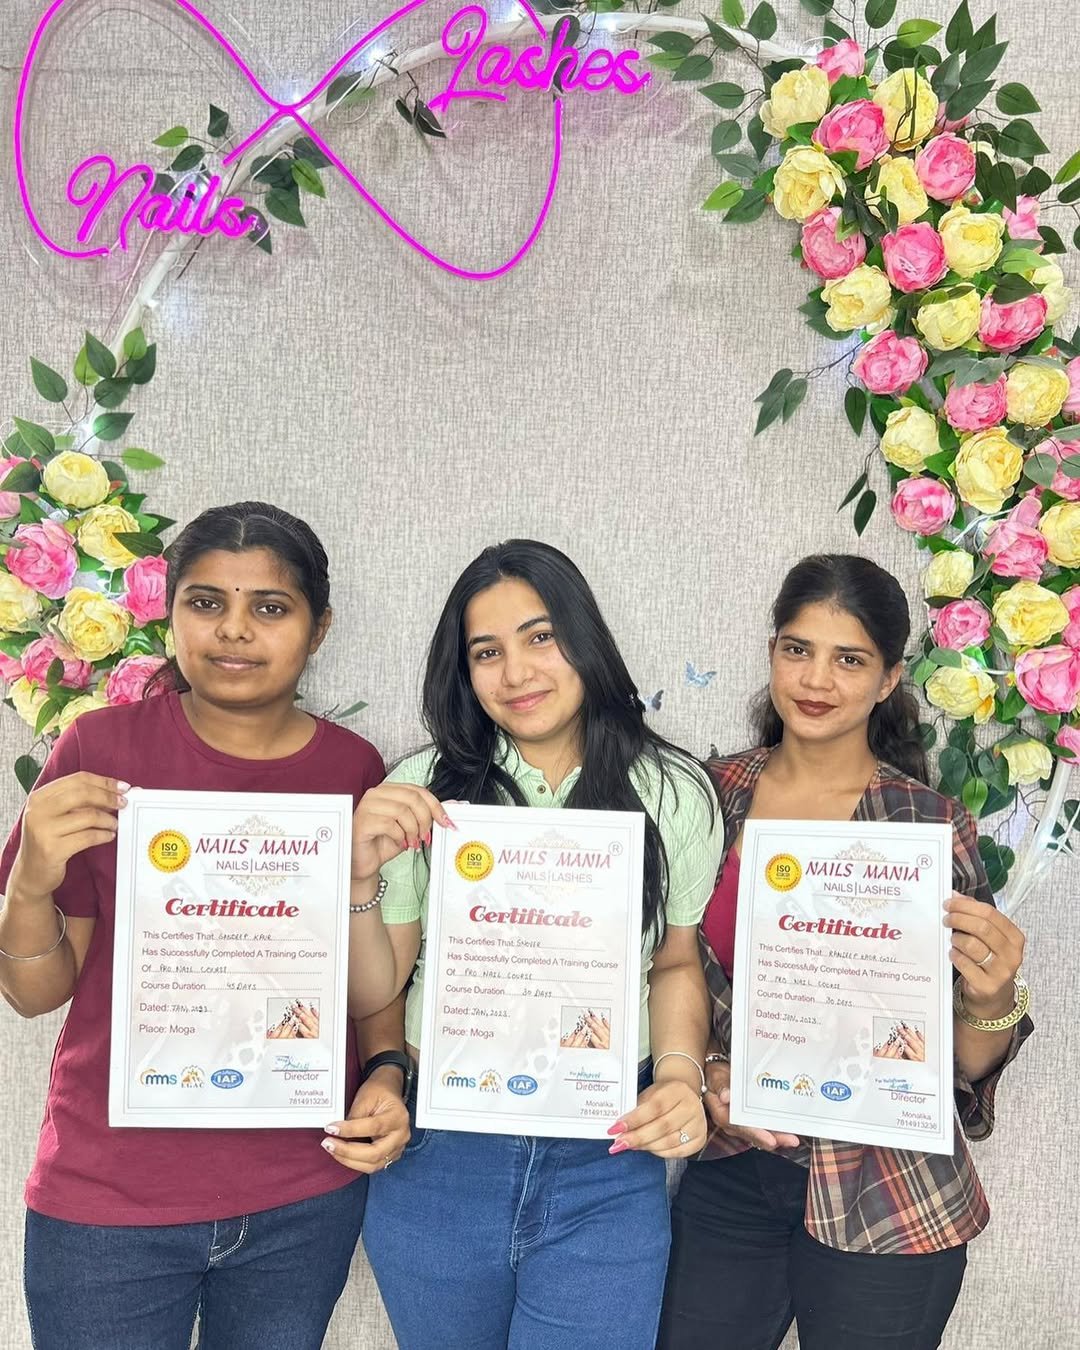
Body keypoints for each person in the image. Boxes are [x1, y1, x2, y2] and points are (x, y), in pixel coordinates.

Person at [0, 502, 410, 1350]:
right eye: (206, 602)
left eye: (270, 606)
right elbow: (35, 994)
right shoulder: (100, 752)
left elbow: (363, 980)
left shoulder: (353, 769)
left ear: (319, 628)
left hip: (302, 1193)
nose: (234, 630)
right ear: (170, 613)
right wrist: (31, 879)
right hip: (109, 1198)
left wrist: (387, 1072)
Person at [331, 539, 723, 1350]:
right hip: (439, 1149)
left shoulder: (674, 791)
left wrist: (680, 1079)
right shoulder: (421, 789)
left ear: (586, 638)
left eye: (541, 637)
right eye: (487, 652)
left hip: (607, 1151)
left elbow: (676, 959)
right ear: (463, 671)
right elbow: (378, 989)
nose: (516, 673)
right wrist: (360, 874)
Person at [657, 554, 1033, 1350]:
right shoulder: (703, 796)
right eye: (798, 649)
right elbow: (658, 973)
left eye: (850, 659)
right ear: (772, 652)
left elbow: (960, 1067)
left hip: (892, 1189)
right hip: (730, 1166)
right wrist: (706, 1072)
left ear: (890, 678)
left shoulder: (927, 825)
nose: (817, 679)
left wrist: (994, 997)